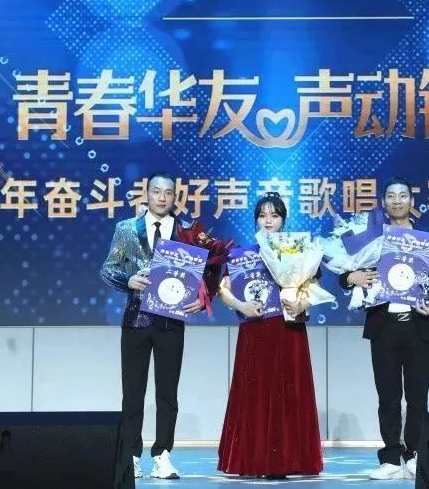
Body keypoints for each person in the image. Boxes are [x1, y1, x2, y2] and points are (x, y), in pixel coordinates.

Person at [340, 176, 429, 480]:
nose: (397, 201)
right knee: (387, 397)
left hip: (420, 326)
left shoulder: (427, 239)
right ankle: (390, 457)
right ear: (383, 202)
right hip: (384, 327)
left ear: (411, 201)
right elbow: (344, 272)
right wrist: (351, 278)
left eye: (403, 196)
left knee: (418, 397)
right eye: (391, 196)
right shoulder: (371, 239)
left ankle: (414, 454)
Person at [99, 172, 204, 479]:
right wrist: (127, 280)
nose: (161, 197)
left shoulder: (187, 231)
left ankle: (162, 455)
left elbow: (203, 275)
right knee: (132, 392)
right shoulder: (126, 229)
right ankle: (131, 456)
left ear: (175, 197)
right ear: (146, 194)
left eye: (168, 193)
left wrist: (202, 298)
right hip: (136, 320)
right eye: (156, 191)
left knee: (168, 393)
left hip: (171, 321)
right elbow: (108, 269)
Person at [216, 193, 323, 478]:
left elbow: (312, 287)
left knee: (288, 390)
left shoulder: (296, 249)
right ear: (255, 220)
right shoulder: (242, 253)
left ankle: (288, 460)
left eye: (274, 216)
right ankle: (253, 459)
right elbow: (223, 289)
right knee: (255, 392)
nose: (268, 221)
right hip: (255, 330)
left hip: (288, 330)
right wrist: (241, 306)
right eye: (263, 216)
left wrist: (301, 304)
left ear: (283, 220)